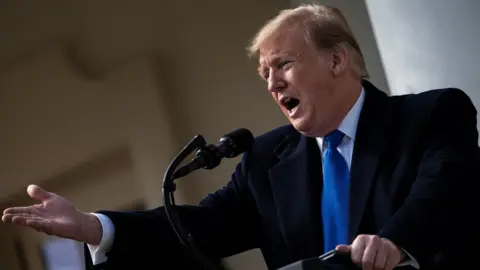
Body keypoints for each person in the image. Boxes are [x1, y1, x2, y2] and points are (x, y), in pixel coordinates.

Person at [2, 4, 478, 270]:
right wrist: (92, 226)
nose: (272, 84)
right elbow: (200, 226)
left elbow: (441, 193)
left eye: (284, 64)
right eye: (264, 75)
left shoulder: (430, 115)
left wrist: (393, 243)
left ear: (337, 61)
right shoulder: (267, 160)